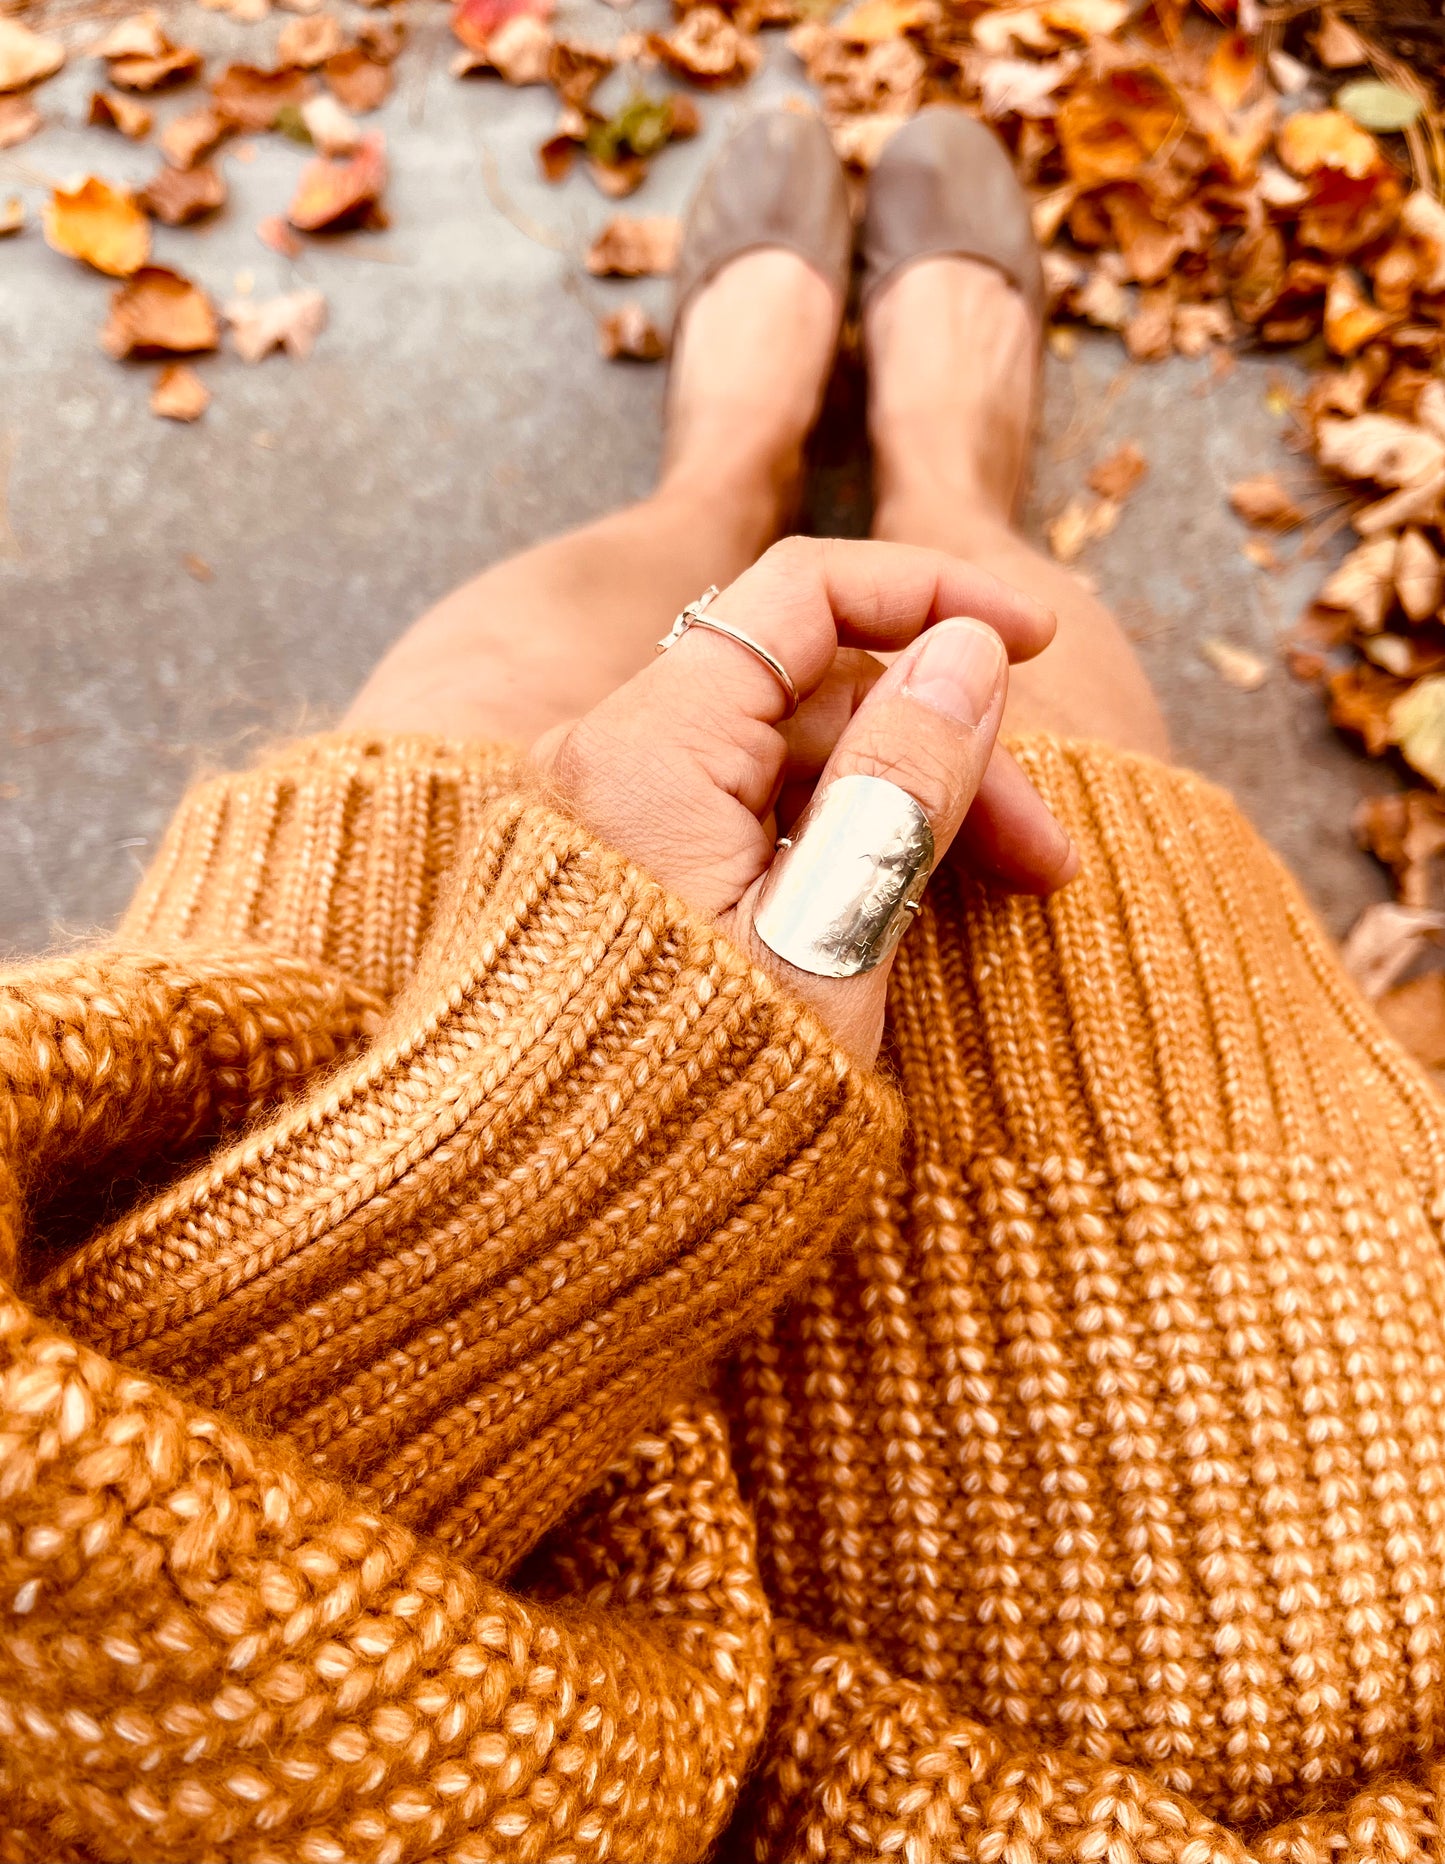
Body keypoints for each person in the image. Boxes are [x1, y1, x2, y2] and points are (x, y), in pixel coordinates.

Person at [3, 105, 1444, 1864]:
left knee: (472, 708)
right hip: (1225, 1588)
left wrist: (536, 1146)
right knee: (1024, 721)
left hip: (223, 1310)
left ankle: (720, 473)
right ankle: (930, 477)